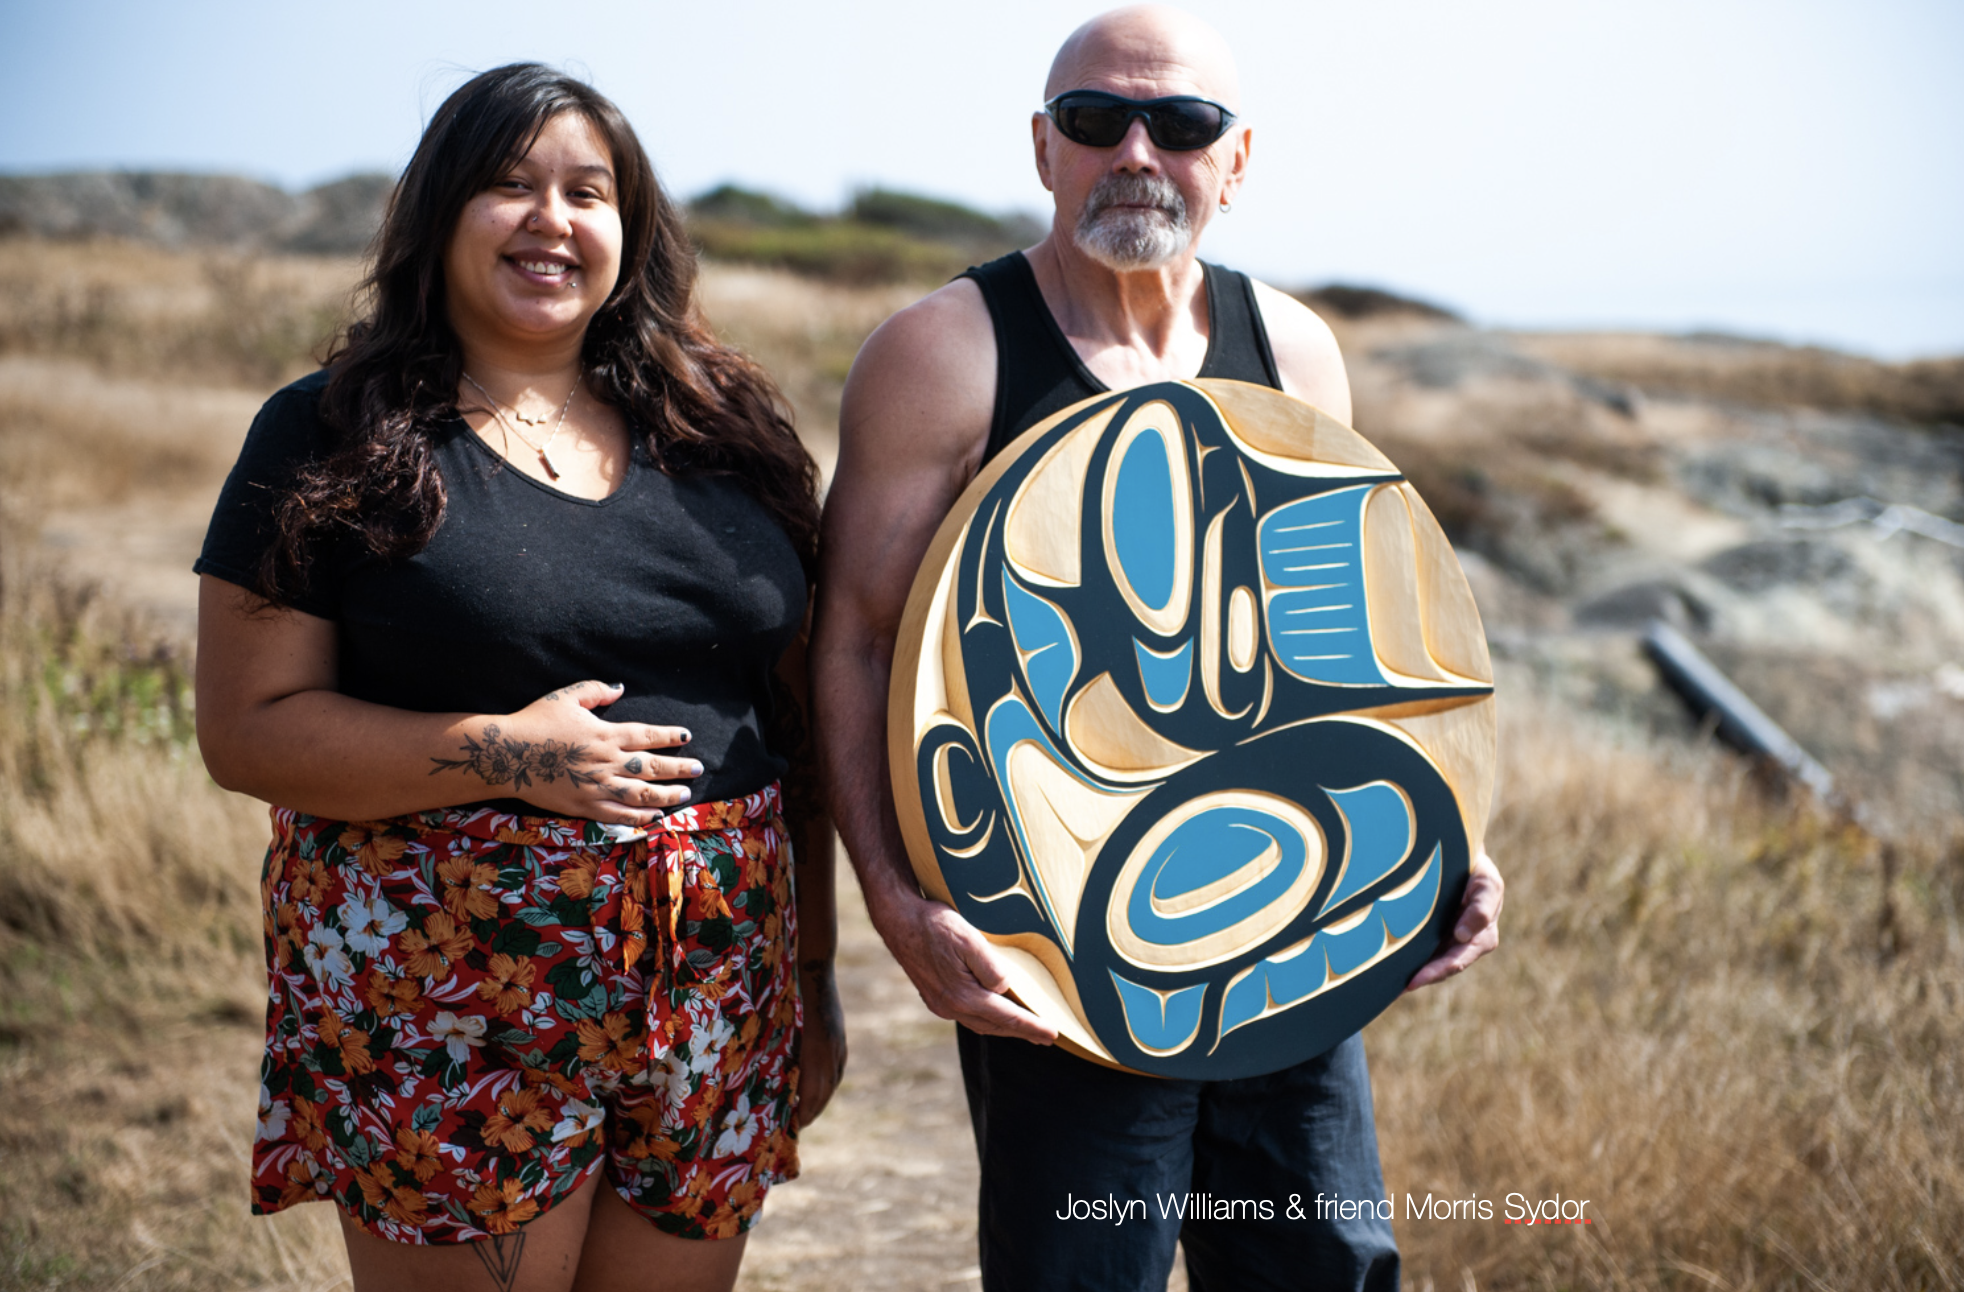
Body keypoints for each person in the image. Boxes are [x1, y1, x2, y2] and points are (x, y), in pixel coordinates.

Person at [811, 7, 1503, 1290]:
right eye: (1095, 120)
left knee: (1325, 1268)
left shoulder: (1293, 352)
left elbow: (1336, 650)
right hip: (1051, 937)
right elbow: (851, 640)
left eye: (1180, 123)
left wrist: (1442, 836)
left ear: (1235, 160)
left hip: (1291, 936)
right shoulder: (944, 354)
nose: (1136, 152)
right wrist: (896, 908)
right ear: (1042, 148)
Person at [194, 64, 843, 1292]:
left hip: (717, 978)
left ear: (629, 230)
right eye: (509, 184)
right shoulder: (328, 432)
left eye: (587, 192)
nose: (551, 218)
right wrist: (513, 752)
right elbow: (246, 727)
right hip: (448, 994)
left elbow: (796, 713)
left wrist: (812, 970)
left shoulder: (727, 429)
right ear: (439, 213)